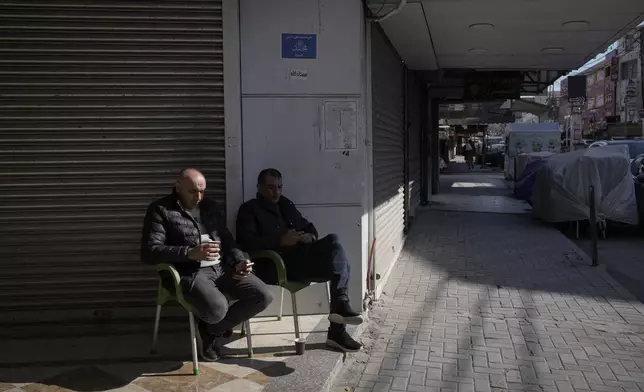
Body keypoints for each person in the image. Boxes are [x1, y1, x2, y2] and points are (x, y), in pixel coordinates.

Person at [141, 168, 272, 362]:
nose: (199, 196)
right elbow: (150, 251)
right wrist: (189, 253)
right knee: (218, 309)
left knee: (263, 296)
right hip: (190, 272)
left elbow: (227, 240)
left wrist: (239, 261)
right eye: (193, 191)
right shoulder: (161, 209)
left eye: (202, 191)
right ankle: (214, 325)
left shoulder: (210, 207)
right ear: (178, 187)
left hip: (221, 269)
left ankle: (210, 330)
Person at [236, 168, 363, 352]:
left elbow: (309, 226)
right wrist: (279, 241)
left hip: (302, 257)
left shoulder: (285, 204)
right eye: (271, 187)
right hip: (278, 264)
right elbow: (245, 243)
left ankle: (340, 308)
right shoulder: (249, 210)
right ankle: (337, 327)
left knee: (335, 246)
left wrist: (310, 236)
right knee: (341, 268)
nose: (276, 192)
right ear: (260, 187)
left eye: (279, 187)